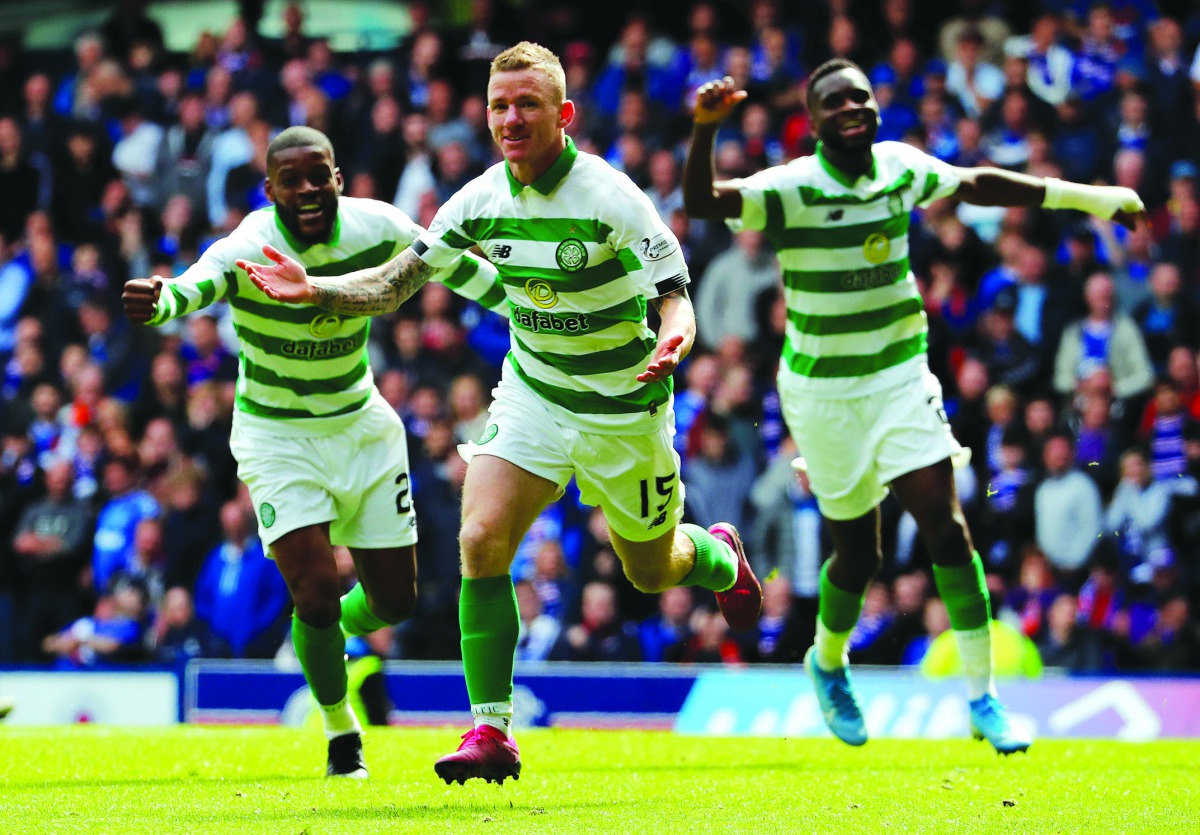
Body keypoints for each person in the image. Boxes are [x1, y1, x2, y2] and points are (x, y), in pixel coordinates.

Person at [239, 42, 762, 785]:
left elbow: (674, 290)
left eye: (527, 104)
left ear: (563, 114)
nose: (510, 118)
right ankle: (492, 730)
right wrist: (319, 290)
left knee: (651, 570)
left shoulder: (611, 196)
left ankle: (716, 554)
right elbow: (395, 284)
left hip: (623, 410)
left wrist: (676, 334)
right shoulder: (478, 198)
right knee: (480, 537)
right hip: (535, 396)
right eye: (498, 105)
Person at [684, 60, 1147, 754]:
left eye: (861, 97)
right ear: (812, 122)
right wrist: (704, 131)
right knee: (858, 553)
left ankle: (982, 696)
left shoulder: (899, 167)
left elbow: (977, 181)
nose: (852, 107)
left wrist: (1089, 197)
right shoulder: (791, 188)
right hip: (823, 393)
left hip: (901, 377)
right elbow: (704, 203)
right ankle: (829, 661)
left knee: (947, 526)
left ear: (876, 110)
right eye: (835, 100)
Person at [122, 125, 508, 779]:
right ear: (269, 189)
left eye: (318, 174)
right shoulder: (249, 245)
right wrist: (163, 301)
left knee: (394, 602)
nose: (306, 189)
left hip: (361, 428)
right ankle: (339, 730)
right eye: (290, 179)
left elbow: (449, 262)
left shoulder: (377, 226)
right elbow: (196, 286)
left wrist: (530, 308)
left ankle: (329, 633)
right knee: (314, 588)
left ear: (338, 178)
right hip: (278, 436)